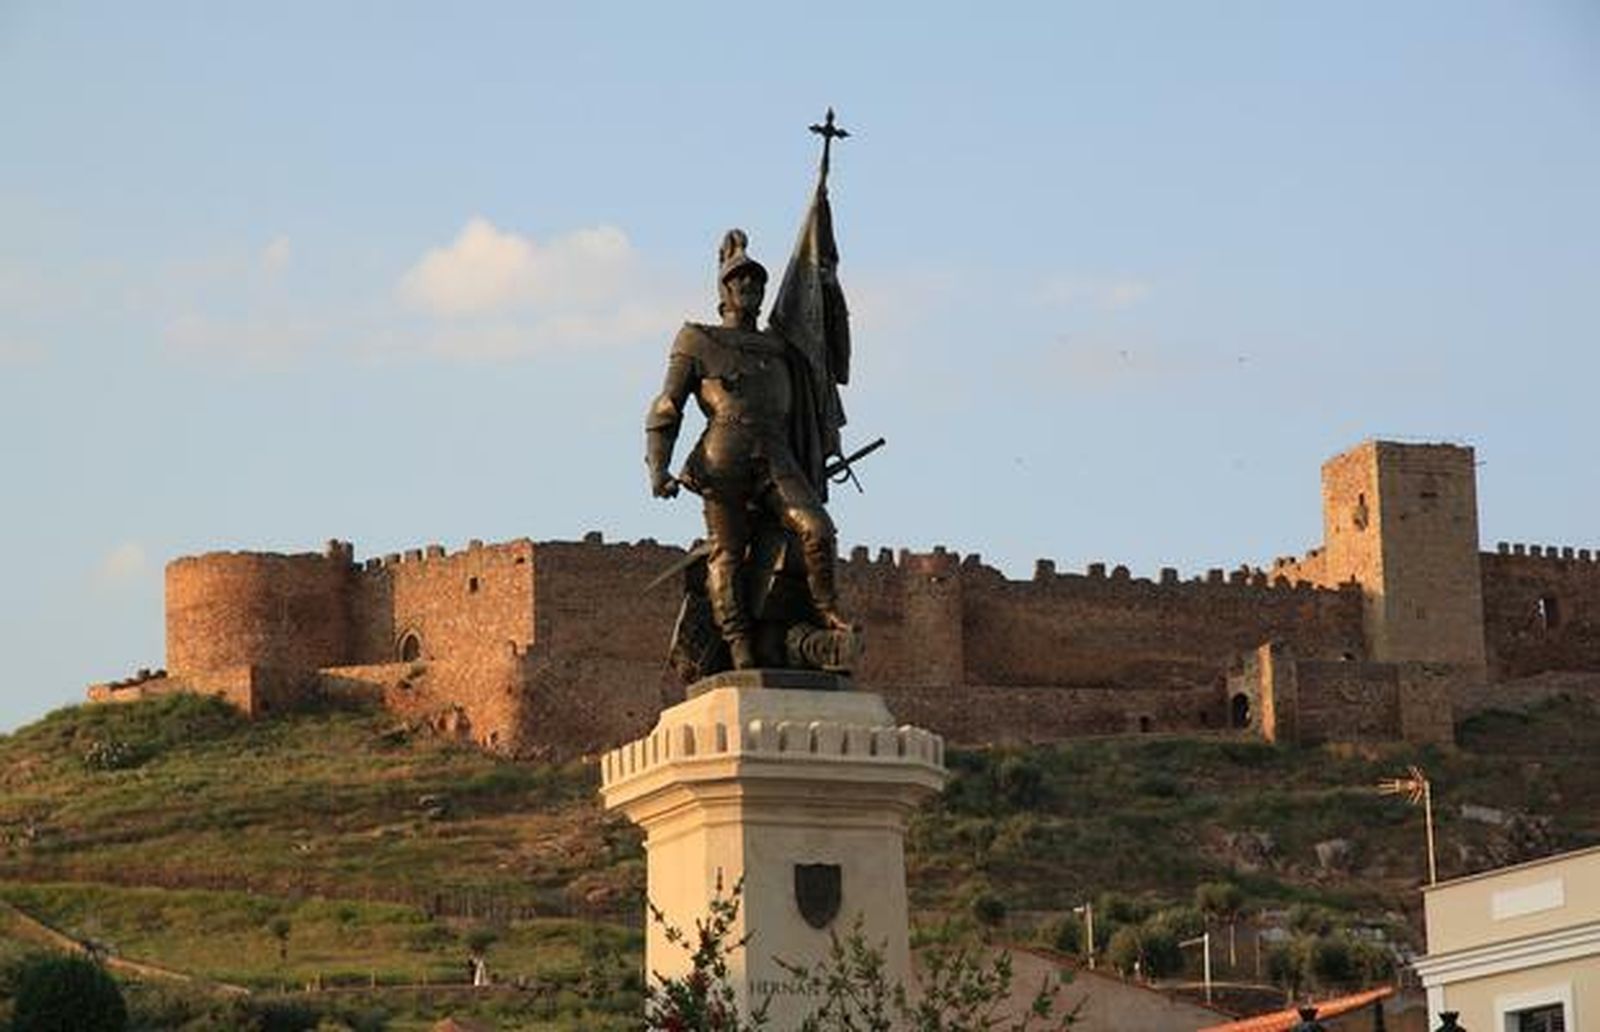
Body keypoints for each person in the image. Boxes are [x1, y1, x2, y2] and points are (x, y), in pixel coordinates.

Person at [645, 229, 848, 670]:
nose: (751, 289)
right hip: (724, 457)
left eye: (757, 283)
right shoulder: (697, 339)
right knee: (728, 553)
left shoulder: (782, 348)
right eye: (741, 282)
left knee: (816, 530)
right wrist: (658, 469)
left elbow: (807, 401)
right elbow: (667, 406)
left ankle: (828, 612)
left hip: (776, 455)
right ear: (725, 289)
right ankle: (739, 645)